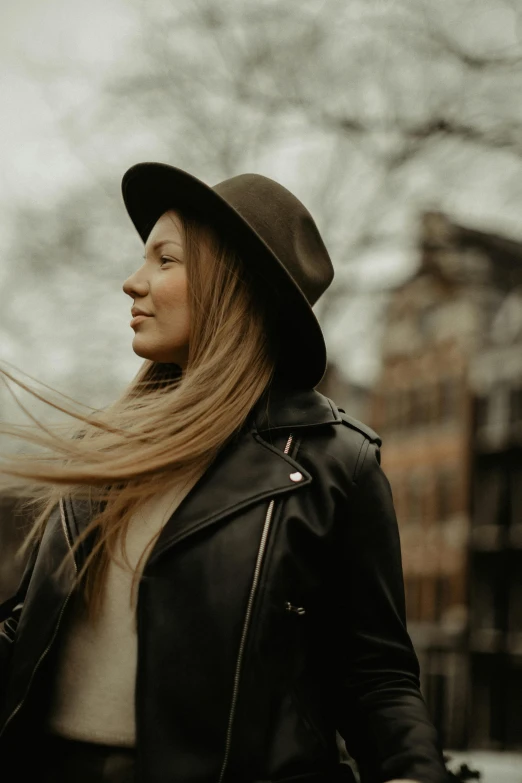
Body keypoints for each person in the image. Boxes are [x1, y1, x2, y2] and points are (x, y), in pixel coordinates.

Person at [0, 162, 450, 783]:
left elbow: (376, 678)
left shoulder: (336, 463)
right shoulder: (99, 450)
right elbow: (25, 633)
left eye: (165, 260)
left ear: (232, 281)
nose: (132, 283)